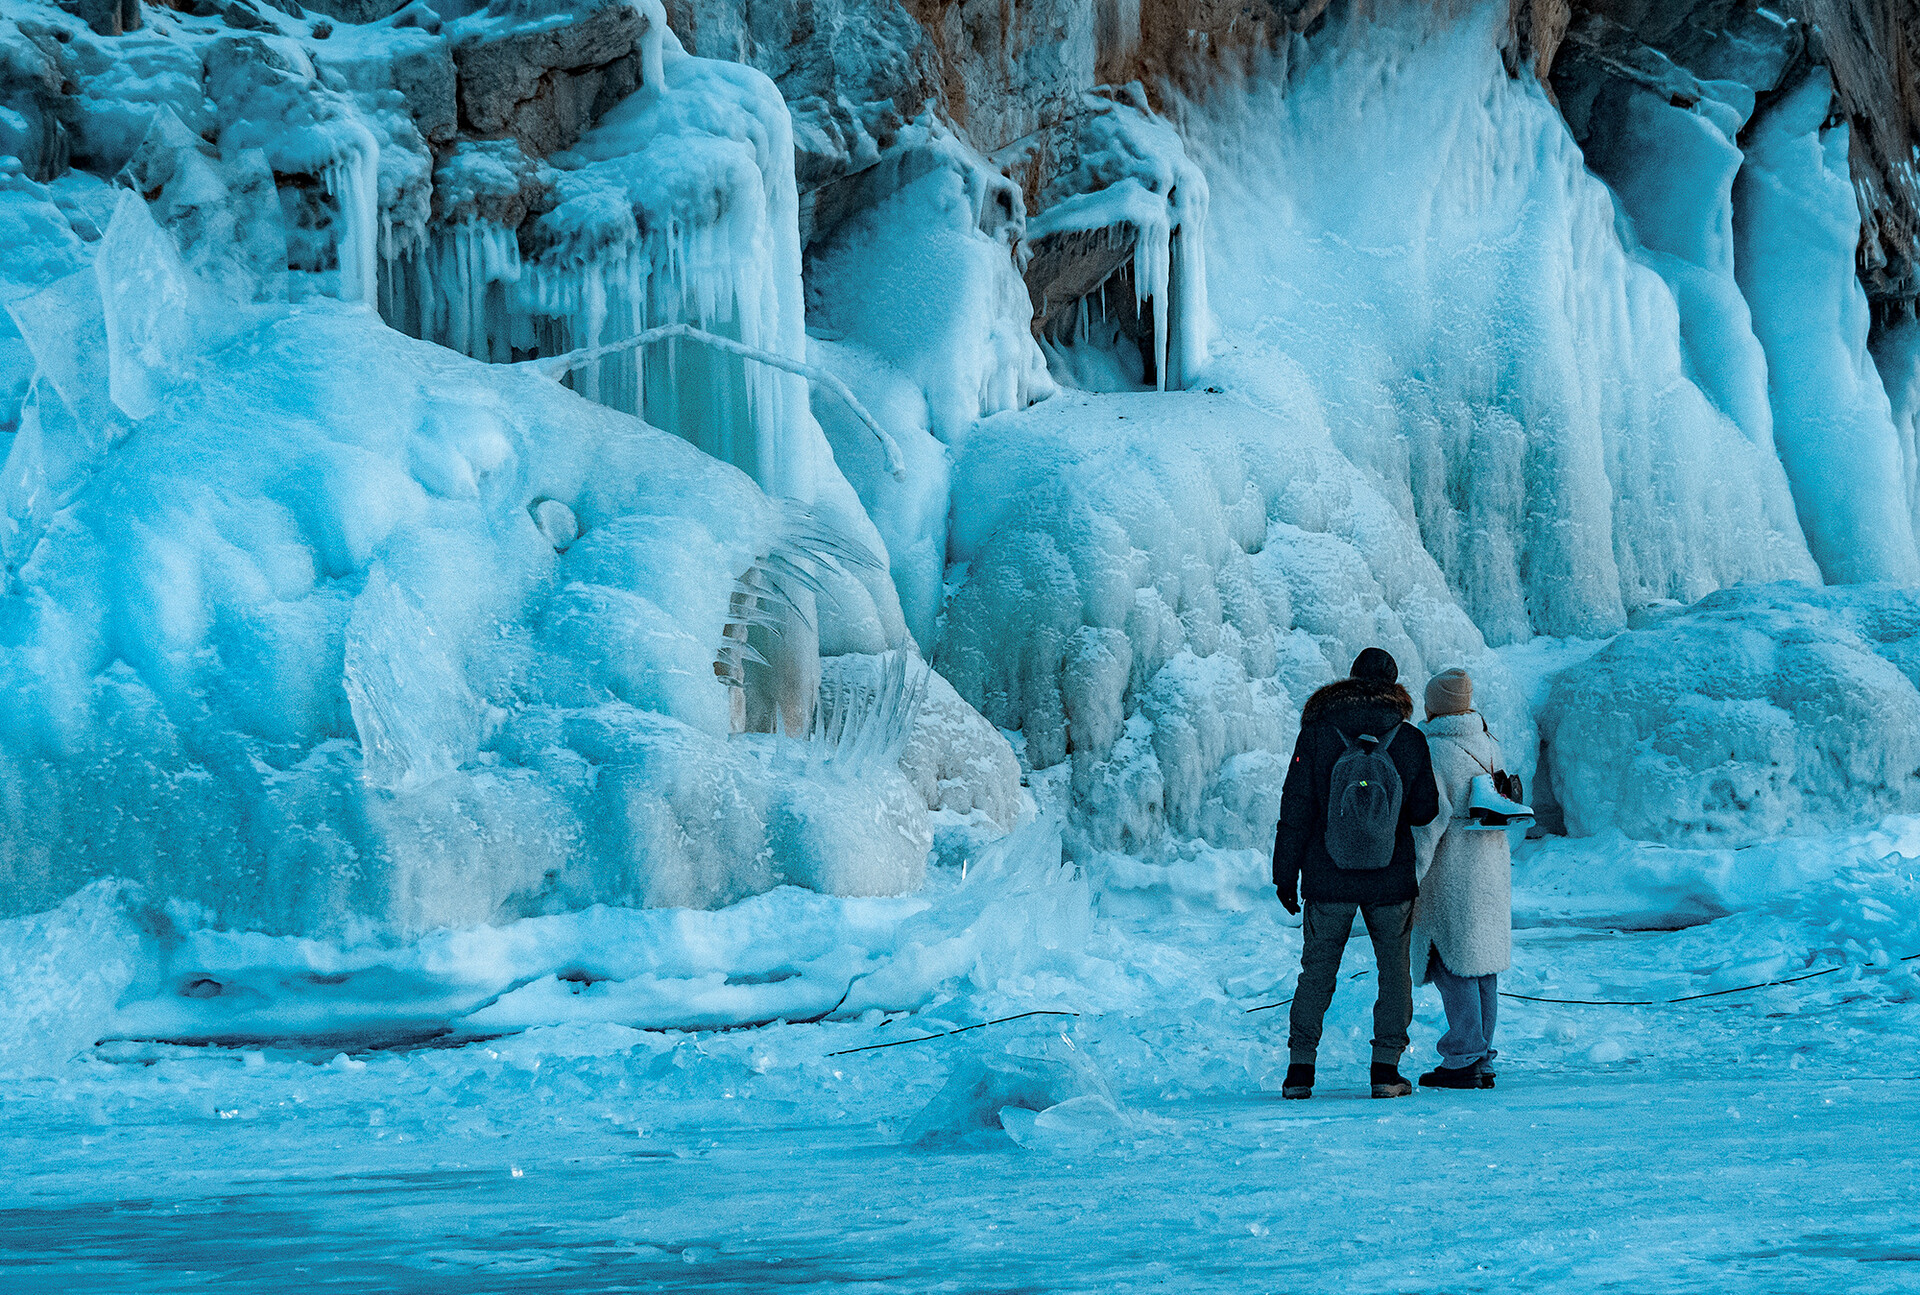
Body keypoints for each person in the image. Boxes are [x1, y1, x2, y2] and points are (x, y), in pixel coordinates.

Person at [1272, 647, 1440, 1100]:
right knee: (1393, 972)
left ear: (1348, 682)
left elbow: (1295, 811)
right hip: (1391, 880)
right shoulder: (1408, 739)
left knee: (1317, 972)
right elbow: (1426, 812)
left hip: (1327, 877)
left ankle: (1299, 1072)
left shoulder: (1316, 736)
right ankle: (1386, 1071)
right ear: (1394, 686)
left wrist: (1284, 876)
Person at [1409, 666, 1512, 1090]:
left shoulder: (1435, 752)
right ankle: (1481, 1055)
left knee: (1451, 965)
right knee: (1482, 965)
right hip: (1490, 872)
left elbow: (1429, 821)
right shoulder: (1489, 744)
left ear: (1434, 707)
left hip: (1451, 877)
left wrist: (1410, 875)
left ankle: (1464, 1056)